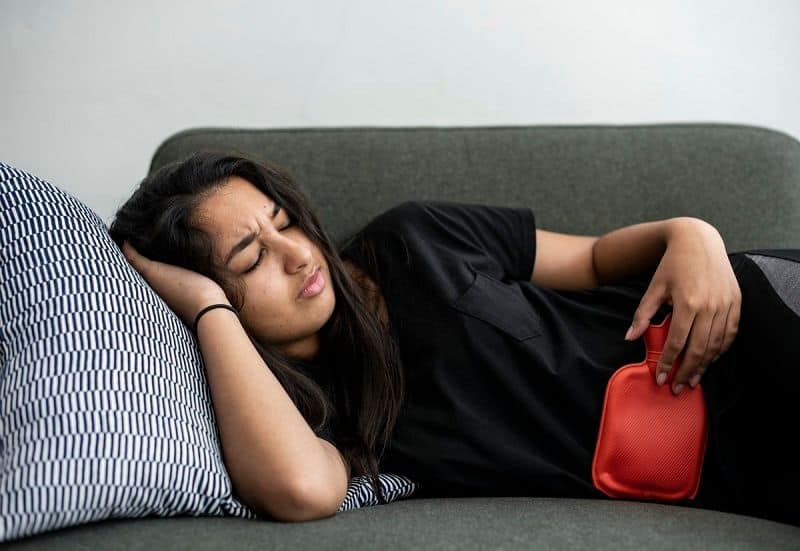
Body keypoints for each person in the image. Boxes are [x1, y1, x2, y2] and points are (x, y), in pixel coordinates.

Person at [109, 152, 800, 526]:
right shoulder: (316, 414)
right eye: (250, 259)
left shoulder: (413, 238)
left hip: (751, 323)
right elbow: (302, 488)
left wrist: (692, 234)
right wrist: (204, 307)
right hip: (732, 467)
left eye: (284, 220)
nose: (295, 255)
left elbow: (591, 261)